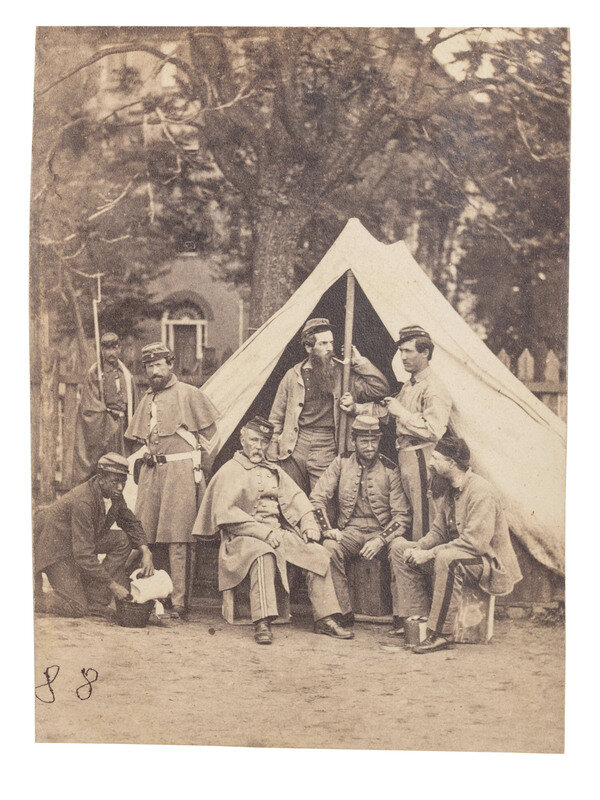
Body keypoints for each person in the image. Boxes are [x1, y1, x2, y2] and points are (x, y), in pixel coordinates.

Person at [193, 416, 353, 645]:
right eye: (254, 440)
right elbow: (226, 516)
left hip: (276, 533)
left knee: (316, 553)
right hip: (241, 538)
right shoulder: (229, 470)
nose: (258, 447)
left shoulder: (273, 470)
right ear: (242, 439)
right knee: (263, 554)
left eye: (264, 442)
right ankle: (262, 621)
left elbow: (297, 499)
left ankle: (325, 618)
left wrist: (308, 523)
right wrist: (263, 533)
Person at [387, 435, 522, 652]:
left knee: (447, 558)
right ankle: (417, 619)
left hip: (488, 563)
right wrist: (420, 547)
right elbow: (439, 531)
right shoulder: (450, 488)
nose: (430, 462)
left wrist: (429, 554)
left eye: (436, 458)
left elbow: (475, 544)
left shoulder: (481, 491)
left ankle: (441, 634)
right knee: (399, 548)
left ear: (451, 463)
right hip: (462, 554)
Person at [125, 342, 220, 619]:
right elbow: (138, 439)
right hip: (152, 473)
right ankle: (152, 594)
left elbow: (213, 438)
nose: (154, 371)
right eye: (149, 366)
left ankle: (179, 602)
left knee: (179, 539)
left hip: (180, 473)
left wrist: (200, 469)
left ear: (170, 364)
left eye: (158, 365)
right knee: (146, 535)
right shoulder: (146, 399)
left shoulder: (189, 394)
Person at [267, 317, 389, 496]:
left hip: (326, 444)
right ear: (309, 347)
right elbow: (276, 416)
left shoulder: (343, 373)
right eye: (323, 343)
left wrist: (359, 361)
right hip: (294, 444)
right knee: (292, 499)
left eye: (331, 342)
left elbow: (380, 389)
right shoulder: (292, 376)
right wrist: (273, 446)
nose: (330, 348)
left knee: (323, 499)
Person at [310, 415, 412, 626]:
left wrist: (381, 540)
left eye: (374, 441)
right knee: (329, 547)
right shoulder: (341, 462)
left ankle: (403, 616)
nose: (370, 446)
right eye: (364, 441)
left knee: (400, 547)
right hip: (351, 532)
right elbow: (317, 498)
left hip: (382, 533)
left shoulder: (390, 469)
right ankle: (342, 612)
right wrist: (327, 529)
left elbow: (401, 516)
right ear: (353, 441)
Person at [353, 324, 452, 542]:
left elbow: (434, 430)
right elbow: (388, 411)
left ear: (425, 352)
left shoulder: (434, 387)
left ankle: (424, 560)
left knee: (425, 519)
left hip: (422, 457)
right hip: (408, 456)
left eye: (408, 351)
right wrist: (356, 409)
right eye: (401, 351)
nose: (403, 357)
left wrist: (402, 413)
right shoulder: (410, 385)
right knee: (415, 515)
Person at [34, 453, 154, 619]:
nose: (120, 487)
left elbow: (130, 522)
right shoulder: (83, 501)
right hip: (56, 551)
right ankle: (36, 600)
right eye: (115, 482)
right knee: (77, 608)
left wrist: (146, 551)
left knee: (123, 540)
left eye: (123, 482)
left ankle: (95, 598)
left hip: (79, 543)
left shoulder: (114, 494)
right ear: (101, 478)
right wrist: (113, 585)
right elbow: (83, 555)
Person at [73, 332, 137, 485]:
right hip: (104, 428)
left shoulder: (126, 374)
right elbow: (89, 407)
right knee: (106, 466)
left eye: (115, 348)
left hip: (123, 427)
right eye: (107, 349)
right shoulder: (95, 373)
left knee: (122, 463)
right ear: (101, 350)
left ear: (120, 349)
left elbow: (134, 401)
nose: (111, 353)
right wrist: (105, 416)